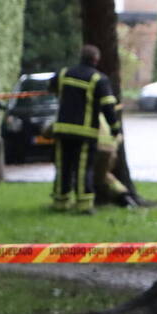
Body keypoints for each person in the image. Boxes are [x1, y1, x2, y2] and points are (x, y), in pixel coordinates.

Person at [48, 44, 121, 213]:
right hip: (84, 133)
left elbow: (51, 87)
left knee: (63, 166)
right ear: (96, 60)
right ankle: (84, 205)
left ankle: (60, 202)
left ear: (81, 57)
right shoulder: (98, 79)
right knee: (82, 169)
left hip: (62, 130)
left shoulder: (64, 73)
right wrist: (115, 128)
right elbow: (108, 107)